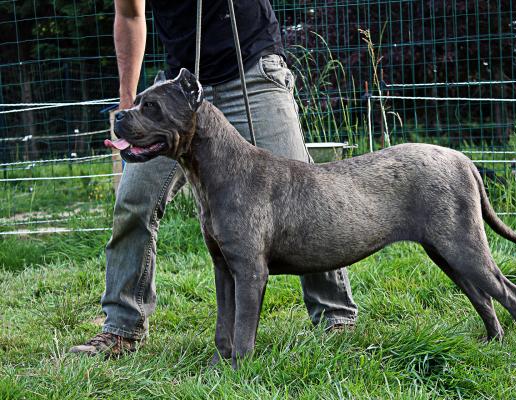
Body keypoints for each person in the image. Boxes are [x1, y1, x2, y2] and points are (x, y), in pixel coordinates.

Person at [70, 0, 357, 356]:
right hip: (177, 91)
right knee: (134, 199)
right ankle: (121, 329)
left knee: (308, 194)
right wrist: (128, 102)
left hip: (251, 68)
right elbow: (130, 14)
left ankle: (335, 317)